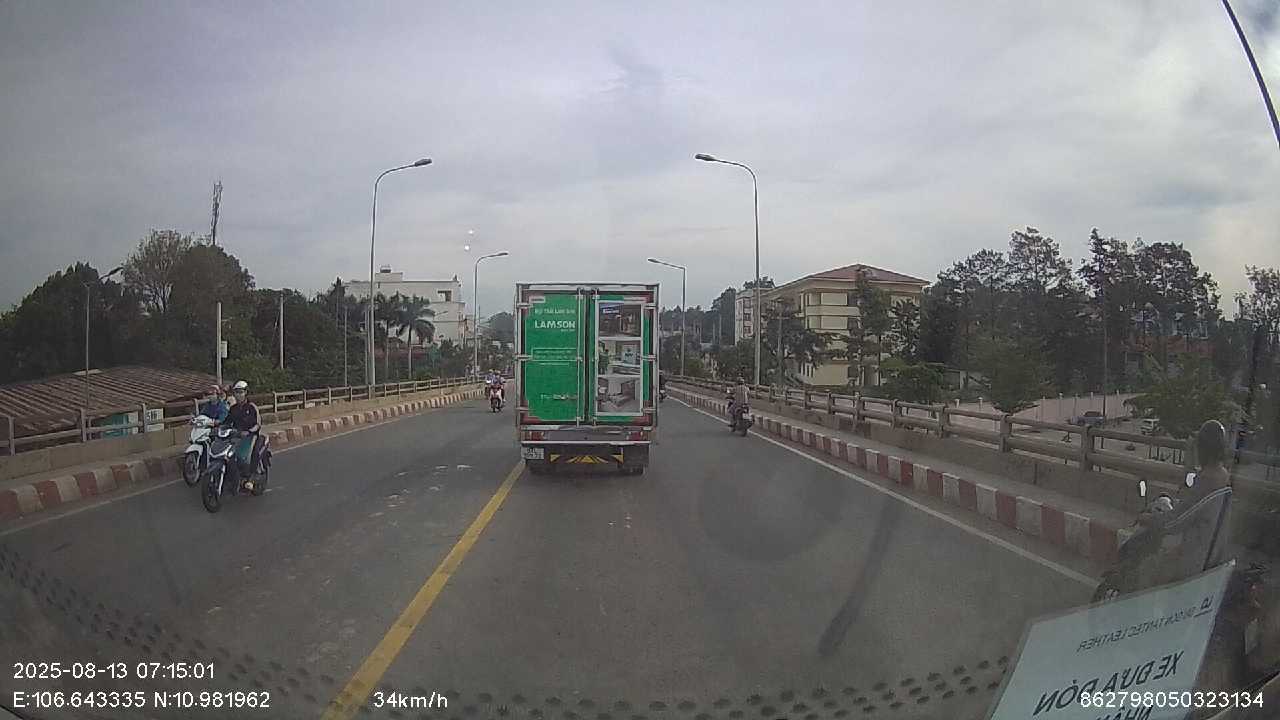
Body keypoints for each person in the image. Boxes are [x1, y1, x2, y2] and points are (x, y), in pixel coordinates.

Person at [221, 380, 262, 489]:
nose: (238, 395)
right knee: (228, 454)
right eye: (236, 392)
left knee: (249, 455)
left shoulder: (252, 407)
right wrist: (218, 427)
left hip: (250, 436)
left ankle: (251, 478)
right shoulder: (233, 408)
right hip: (236, 435)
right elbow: (227, 421)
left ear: (246, 392)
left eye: (241, 392)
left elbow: (258, 424)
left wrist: (249, 431)